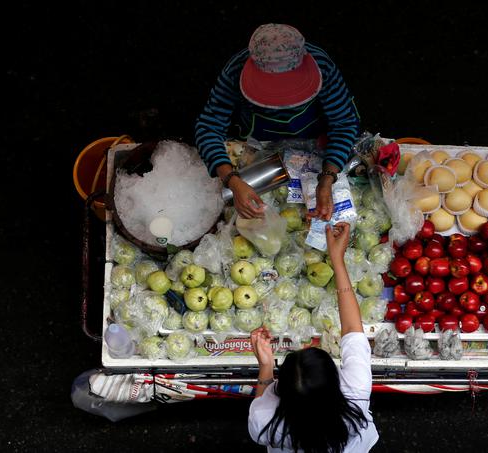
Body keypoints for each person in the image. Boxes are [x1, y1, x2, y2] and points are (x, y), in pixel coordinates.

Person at [195, 23, 361, 220]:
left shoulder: (322, 66)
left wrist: (327, 178)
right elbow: (208, 127)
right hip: (260, 140)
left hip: (312, 138)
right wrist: (232, 180)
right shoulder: (235, 71)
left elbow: (344, 123)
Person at [248, 222, 378, 452]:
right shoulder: (355, 394)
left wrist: (265, 366)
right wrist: (338, 260)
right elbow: (352, 329)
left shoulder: (264, 421)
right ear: (336, 381)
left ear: (280, 393)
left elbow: (262, 400)